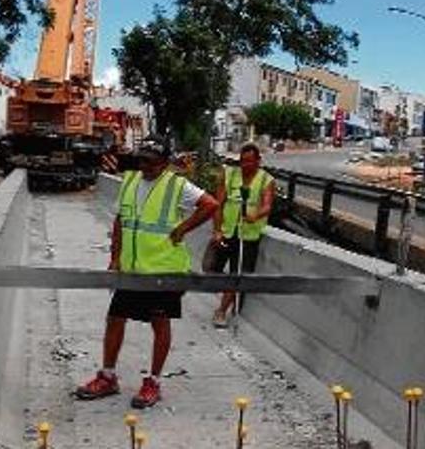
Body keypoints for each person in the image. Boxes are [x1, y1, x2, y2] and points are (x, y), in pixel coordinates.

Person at [75, 135, 219, 409]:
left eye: (152, 162)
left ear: (165, 163)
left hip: (164, 270)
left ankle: (153, 381)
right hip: (132, 269)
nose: (145, 166)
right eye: (142, 160)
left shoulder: (178, 185)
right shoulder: (129, 182)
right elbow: (120, 221)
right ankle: (108, 376)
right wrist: (115, 258)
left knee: (159, 323)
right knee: (115, 318)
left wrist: (182, 229)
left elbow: (211, 204)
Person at [209, 143, 275, 328]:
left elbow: (267, 204)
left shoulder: (266, 180)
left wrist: (257, 215)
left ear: (258, 161)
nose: (245, 165)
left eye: (249, 161)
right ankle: (228, 288)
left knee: (237, 275)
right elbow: (218, 204)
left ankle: (221, 311)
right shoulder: (229, 175)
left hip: (248, 237)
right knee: (210, 267)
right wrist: (216, 230)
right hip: (227, 232)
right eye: (242, 161)